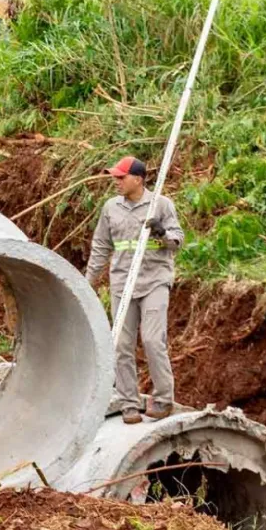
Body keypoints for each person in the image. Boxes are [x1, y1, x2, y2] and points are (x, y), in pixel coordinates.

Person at [85, 156, 184, 424]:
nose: (115, 182)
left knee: (152, 340)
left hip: (154, 280)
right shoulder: (110, 208)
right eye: (115, 177)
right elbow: (101, 246)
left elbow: (177, 242)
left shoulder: (160, 205)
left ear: (137, 179)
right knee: (121, 344)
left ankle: (163, 399)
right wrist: (88, 282)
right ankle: (129, 402)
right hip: (122, 283)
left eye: (120, 177)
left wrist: (162, 233)